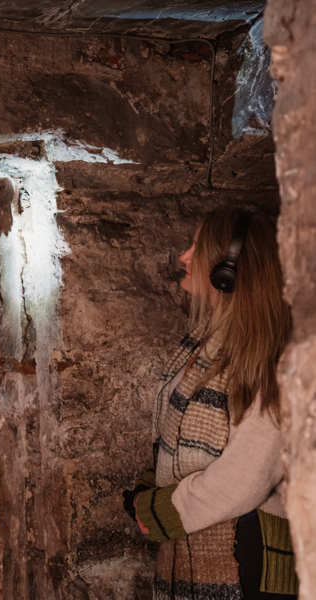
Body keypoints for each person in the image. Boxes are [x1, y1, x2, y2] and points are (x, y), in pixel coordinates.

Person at [124, 207, 297, 599]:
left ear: (231, 269)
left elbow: (247, 476)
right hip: (194, 550)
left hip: (248, 561)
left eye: (197, 248)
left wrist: (166, 508)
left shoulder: (271, 356)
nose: (184, 257)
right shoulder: (206, 342)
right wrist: (153, 486)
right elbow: (176, 432)